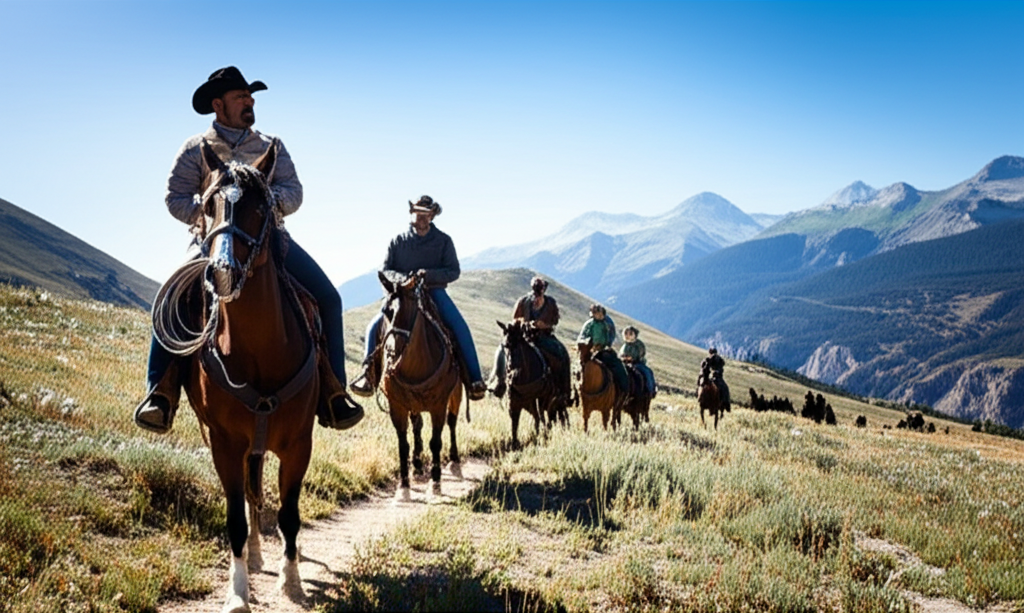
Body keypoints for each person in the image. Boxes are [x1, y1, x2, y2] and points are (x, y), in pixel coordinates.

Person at [133, 66, 363, 434]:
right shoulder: (195, 149)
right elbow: (174, 197)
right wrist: (209, 217)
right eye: (241, 97)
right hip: (211, 242)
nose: (250, 102)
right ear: (218, 104)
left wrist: (261, 211)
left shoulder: (272, 146)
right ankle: (160, 394)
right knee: (170, 301)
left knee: (328, 298)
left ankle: (334, 392)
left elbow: (294, 192)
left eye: (250, 97)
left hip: (270, 240)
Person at [349, 196, 487, 400]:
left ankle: (475, 380)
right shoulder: (398, 241)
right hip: (401, 293)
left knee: (459, 326)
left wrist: (428, 275)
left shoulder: (443, 241)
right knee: (374, 326)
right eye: (418, 213)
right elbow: (386, 270)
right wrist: (404, 280)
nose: (421, 218)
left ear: (432, 216)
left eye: (426, 214)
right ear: (411, 213)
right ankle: (367, 376)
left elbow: (453, 271)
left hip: (433, 292)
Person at [490, 276, 572, 401]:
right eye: (535, 291)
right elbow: (515, 320)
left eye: (540, 291)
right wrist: (527, 324)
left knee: (561, 353)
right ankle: (499, 382)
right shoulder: (524, 302)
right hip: (525, 336)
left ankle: (563, 392)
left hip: (544, 336)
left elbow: (554, 321)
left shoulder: (550, 303)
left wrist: (544, 325)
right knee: (504, 350)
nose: (537, 295)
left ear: (544, 290)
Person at [576, 304, 629, 399]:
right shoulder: (590, 324)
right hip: (591, 350)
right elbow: (582, 335)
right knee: (579, 368)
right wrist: (587, 343)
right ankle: (576, 390)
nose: (598, 315)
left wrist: (607, 345)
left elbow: (612, 335)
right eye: (595, 313)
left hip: (604, 350)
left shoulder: (608, 323)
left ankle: (623, 390)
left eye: (599, 313)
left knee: (618, 366)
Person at [619, 326, 656, 397]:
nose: (627, 336)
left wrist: (632, 358)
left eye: (630, 334)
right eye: (626, 333)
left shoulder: (639, 344)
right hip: (624, 363)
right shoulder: (624, 345)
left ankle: (650, 390)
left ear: (635, 335)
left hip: (637, 363)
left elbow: (640, 353)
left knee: (647, 372)